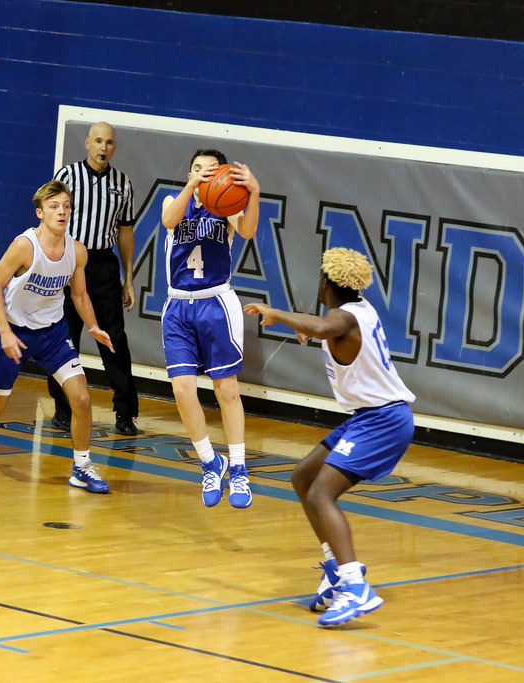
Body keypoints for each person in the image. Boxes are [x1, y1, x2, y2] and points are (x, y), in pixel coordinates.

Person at [243, 247, 416, 627]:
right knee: (303, 477)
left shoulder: (341, 318)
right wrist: (308, 329)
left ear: (327, 282)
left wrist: (278, 314)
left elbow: (328, 326)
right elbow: (329, 330)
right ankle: (337, 568)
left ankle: (355, 586)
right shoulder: (360, 309)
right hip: (369, 417)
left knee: (322, 494)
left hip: (382, 420)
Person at [0, 180, 116, 494]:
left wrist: (94, 326)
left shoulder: (77, 250)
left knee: (82, 398)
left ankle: (81, 468)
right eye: (54, 207)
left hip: (54, 333)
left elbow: (80, 294)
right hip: (14, 332)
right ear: (40, 213)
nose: (62, 212)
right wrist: (4, 331)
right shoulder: (24, 246)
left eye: (66, 206)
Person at [160, 149, 260, 509]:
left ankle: (238, 468)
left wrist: (255, 192)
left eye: (210, 170)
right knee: (183, 389)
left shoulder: (227, 207)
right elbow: (169, 221)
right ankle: (208, 461)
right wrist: (191, 187)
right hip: (177, 305)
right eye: (197, 169)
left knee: (227, 390)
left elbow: (248, 231)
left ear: (222, 176)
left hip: (216, 303)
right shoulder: (175, 200)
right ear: (189, 173)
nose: (203, 174)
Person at [46, 122, 140, 437]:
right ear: (87, 143)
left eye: (109, 142)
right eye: (98, 141)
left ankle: (125, 414)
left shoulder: (123, 183)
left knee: (114, 339)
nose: (103, 147)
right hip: (68, 260)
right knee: (63, 336)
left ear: (114, 147)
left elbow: (125, 232)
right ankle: (62, 409)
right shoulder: (67, 176)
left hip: (102, 264)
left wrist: (128, 277)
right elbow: (49, 219)